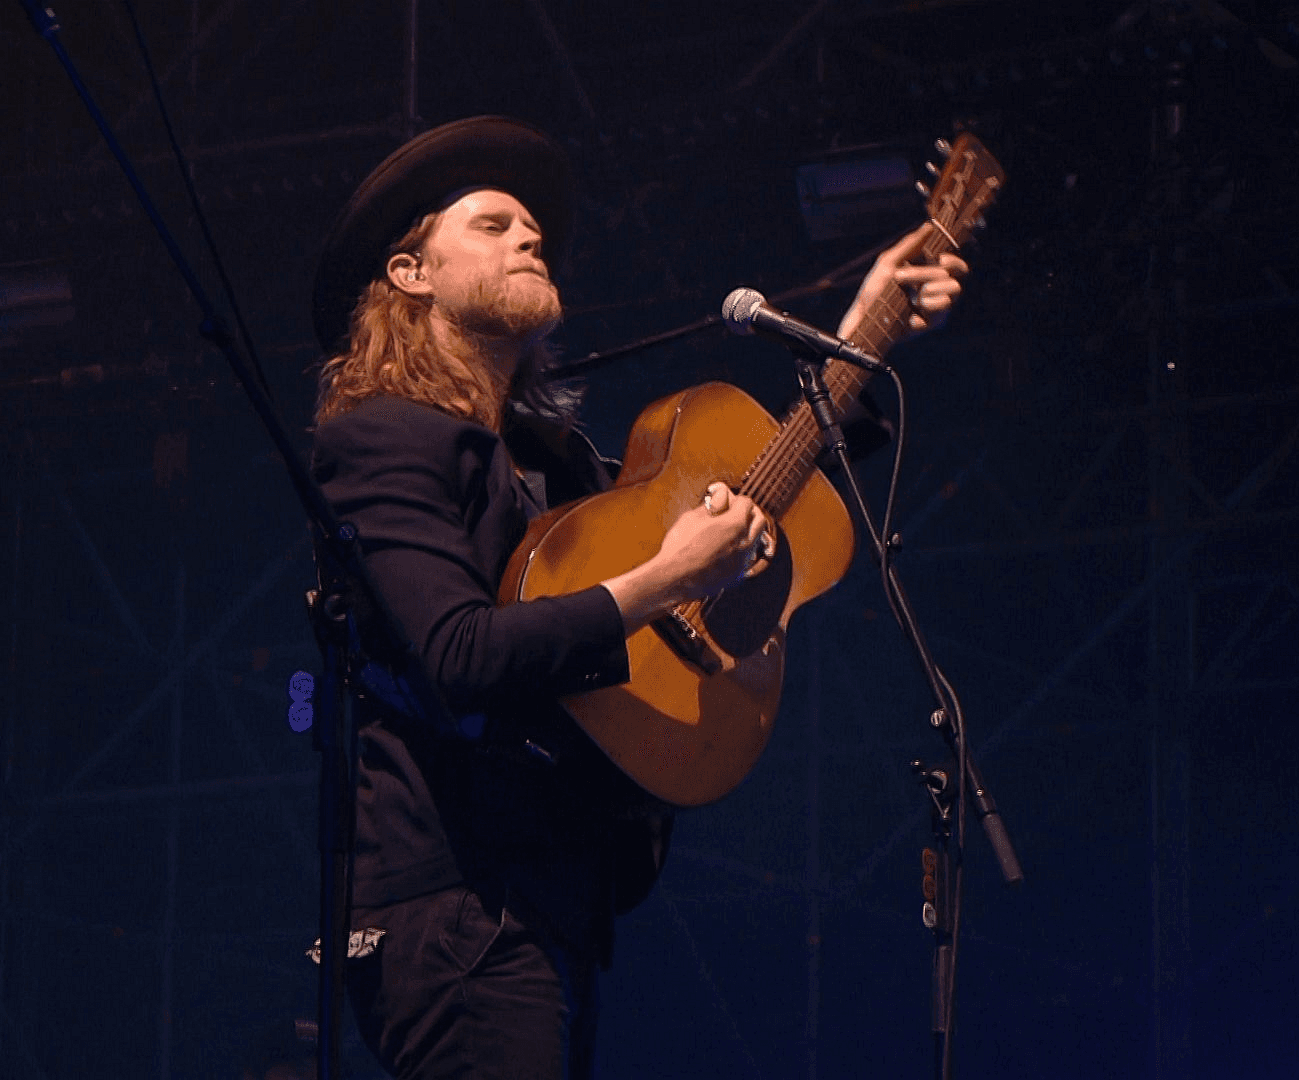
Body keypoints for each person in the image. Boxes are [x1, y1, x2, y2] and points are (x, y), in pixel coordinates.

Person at [307, 115, 965, 1079]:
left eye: (532, 226)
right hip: (455, 909)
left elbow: (750, 507)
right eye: (493, 225)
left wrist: (862, 342)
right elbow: (455, 656)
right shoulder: (379, 441)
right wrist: (665, 579)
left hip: (552, 898)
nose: (531, 236)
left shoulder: (550, 462)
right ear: (412, 275)